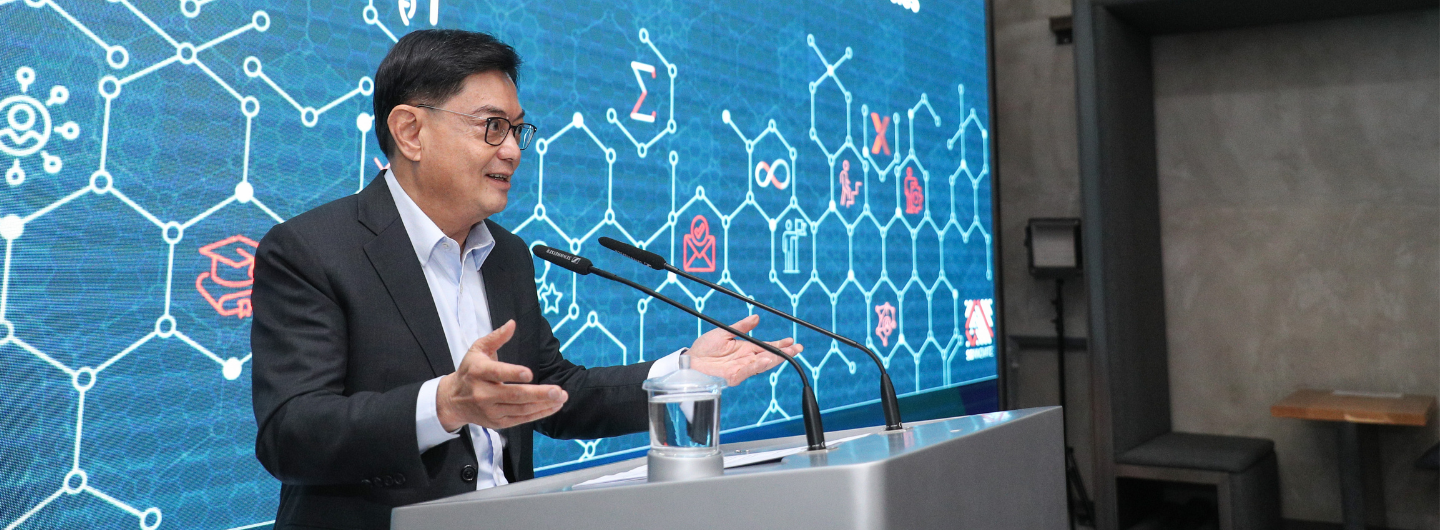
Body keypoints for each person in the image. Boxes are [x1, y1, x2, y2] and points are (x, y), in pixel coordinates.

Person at [249, 29, 801, 530]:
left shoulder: (506, 254)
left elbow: (556, 393)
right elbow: (291, 434)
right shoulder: (312, 250)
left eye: (516, 129)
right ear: (410, 130)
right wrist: (445, 404)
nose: (512, 150)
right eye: (492, 127)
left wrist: (681, 373)